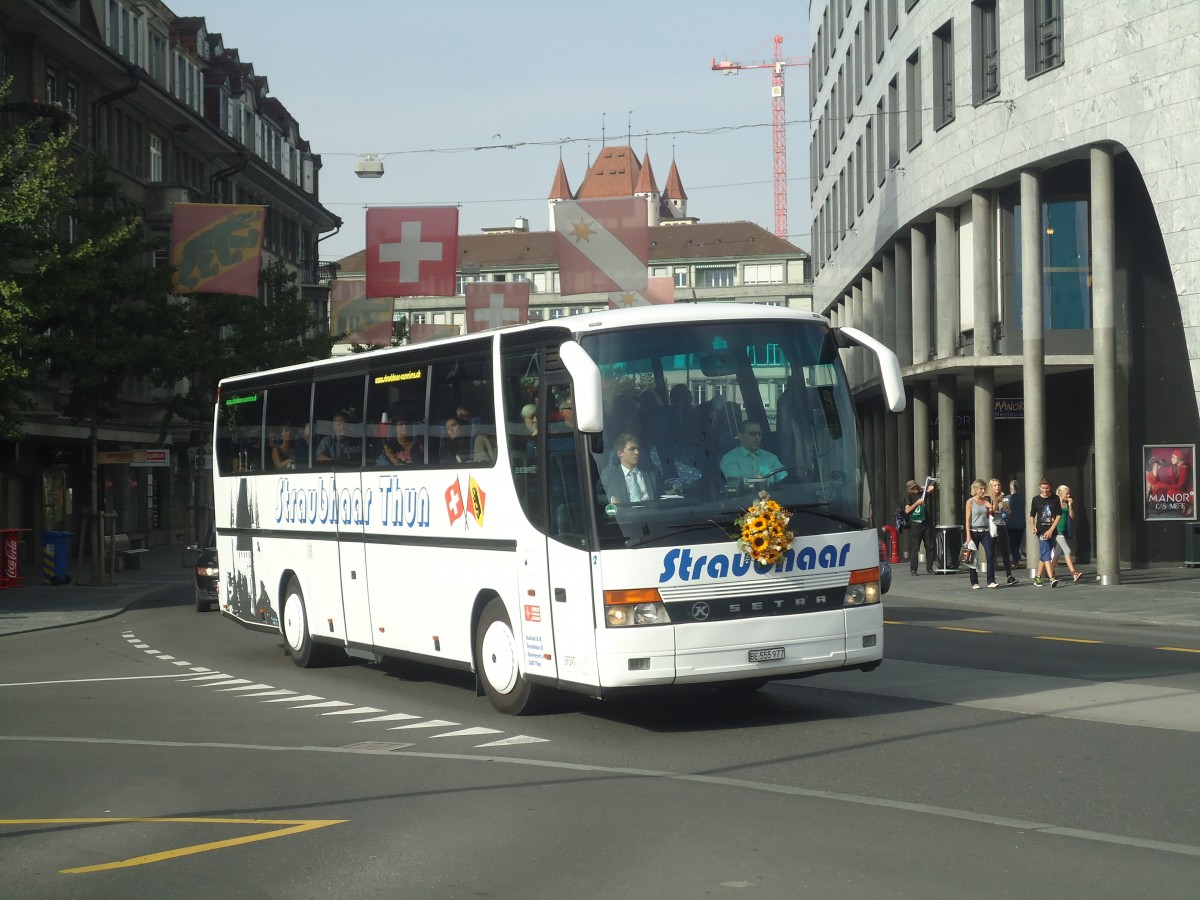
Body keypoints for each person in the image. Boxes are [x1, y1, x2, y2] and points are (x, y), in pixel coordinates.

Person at [720, 419, 785, 487]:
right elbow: (738, 483)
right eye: (752, 434)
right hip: (743, 497)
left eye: (759, 434)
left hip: (772, 497)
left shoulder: (771, 458)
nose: (757, 437)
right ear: (741, 436)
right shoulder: (729, 459)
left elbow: (785, 480)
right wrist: (760, 483)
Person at [602, 433, 657, 505]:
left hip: (650, 513)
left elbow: (661, 494)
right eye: (632, 449)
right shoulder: (609, 474)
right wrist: (611, 500)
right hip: (624, 515)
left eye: (637, 449)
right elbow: (598, 496)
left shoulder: (650, 473)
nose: (637, 452)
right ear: (620, 453)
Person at [964, 479, 997, 590]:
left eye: (984, 489)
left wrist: (990, 507)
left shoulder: (986, 500)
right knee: (973, 557)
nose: (983, 491)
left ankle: (991, 580)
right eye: (981, 489)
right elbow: (967, 519)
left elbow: (991, 514)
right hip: (974, 531)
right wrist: (968, 535)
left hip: (985, 531)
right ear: (975, 489)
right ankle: (974, 582)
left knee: (990, 554)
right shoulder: (970, 502)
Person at [1029, 478, 1062, 587]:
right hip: (1041, 530)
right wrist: (1033, 527)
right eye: (1043, 488)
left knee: (1044, 553)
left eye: (1047, 488)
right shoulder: (1035, 499)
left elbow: (1059, 515)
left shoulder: (1055, 499)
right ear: (1040, 487)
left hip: (1052, 530)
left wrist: (1052, 529)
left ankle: (1038, 577)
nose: (1045, 490)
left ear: (1050, 487)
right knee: (1046, 553)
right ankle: (1051, 577)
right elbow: (1032, 515)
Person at [1050, 484, 1084, 583]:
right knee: (1067, 551)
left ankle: (1050, 573)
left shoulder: (1066, 504)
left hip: (1063, 531)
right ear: (1060, 494)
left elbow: (1072, 516)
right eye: (1066, 493)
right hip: (1057, 531)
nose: (1068, 495)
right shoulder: (1056, 503)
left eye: (1069, 493)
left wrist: (1070, 506)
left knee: (1056, 554)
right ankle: (1074, 573)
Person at [902, 478, 935, 575]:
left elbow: (932, 487)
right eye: (913, 488)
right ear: (909, 489)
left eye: (915, 486)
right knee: (915, 548)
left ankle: (929, 568)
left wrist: (922, 488)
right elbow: (907, 510)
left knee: (930, 546)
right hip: (916, 524)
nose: (915, 489)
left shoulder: (922, 493)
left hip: (926, 523)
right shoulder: (908, 496)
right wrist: (917, 503)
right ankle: (913, 569)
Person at [989, 477, 1018, 585]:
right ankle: (991, 578)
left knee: (1005, 551)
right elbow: (990, 512)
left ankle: (1009, 576)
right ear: (991, 487)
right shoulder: (988, 498)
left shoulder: (1004, 499)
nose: (997, 487)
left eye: (999, 485)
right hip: (992, 526)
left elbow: (1009, 513)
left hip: (1001, 524)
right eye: (995, 485)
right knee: (991, 552)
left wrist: (1007, 510)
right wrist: (997, 501)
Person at [1006, 479, 1025, 566]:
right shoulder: (1023, 498)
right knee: (1017, 543)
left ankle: (1017, 559)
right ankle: (1017, 558)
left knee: (1012, 543)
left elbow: (1005, 512)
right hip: (1021, 524)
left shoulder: (1007, 498)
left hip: (1010, 524)